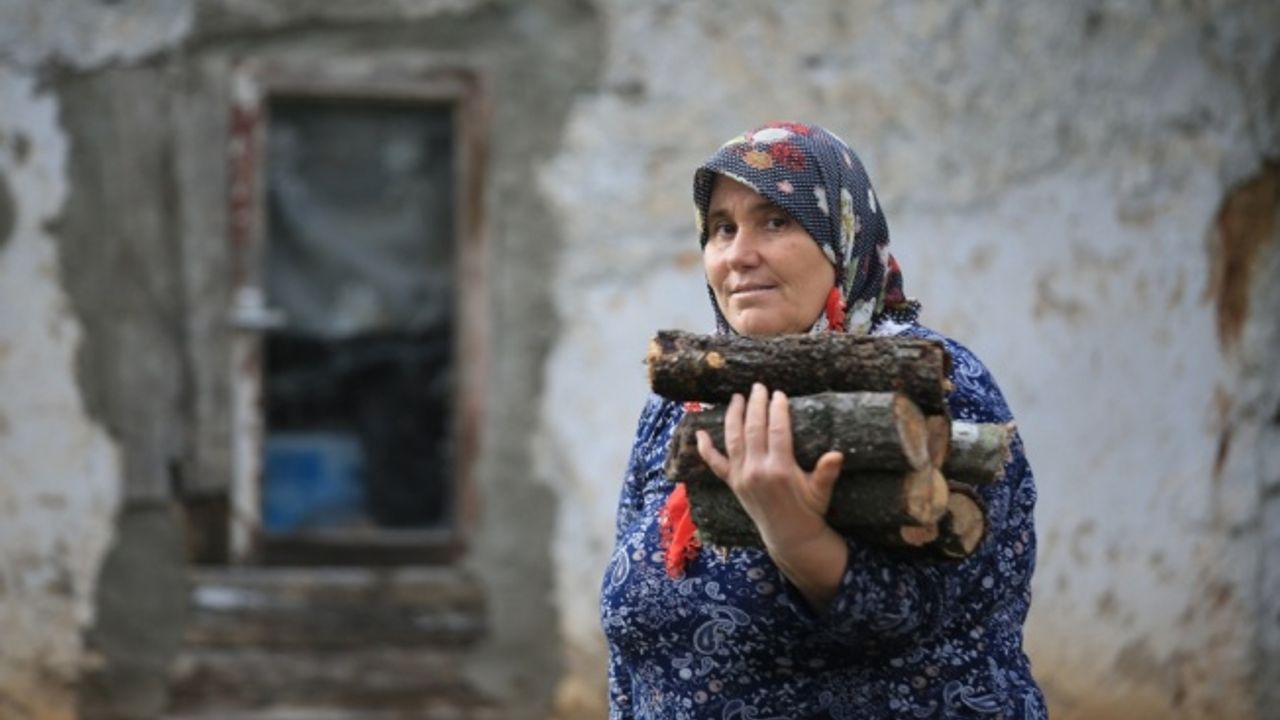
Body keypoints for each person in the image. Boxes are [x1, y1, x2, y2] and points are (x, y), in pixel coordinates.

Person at [600, 122, 1046, 719]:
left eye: (776, 220)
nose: (739, 254)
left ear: (842, 234)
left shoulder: (927, 384)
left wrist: (795, 534)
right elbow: (628, 647)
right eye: (722, 228)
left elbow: (909, 618)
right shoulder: (682, 404)